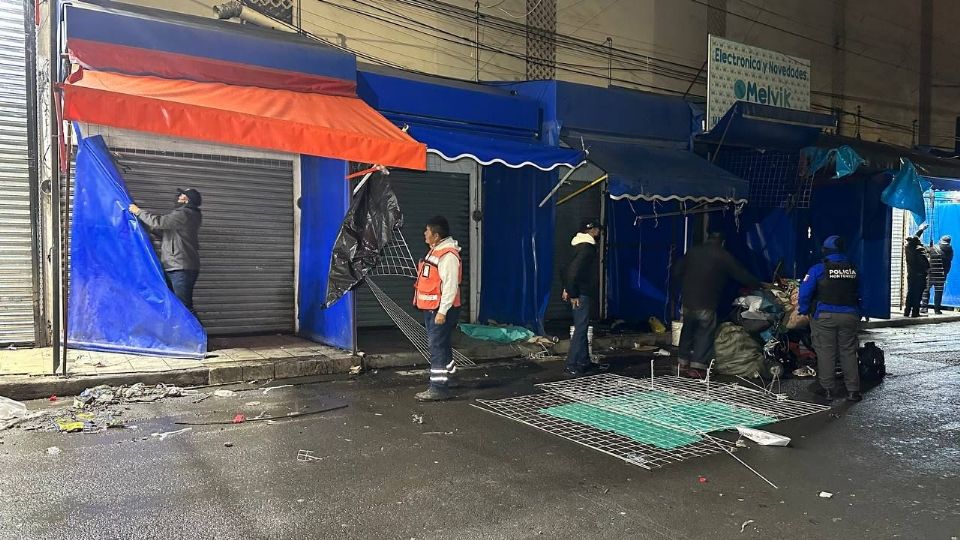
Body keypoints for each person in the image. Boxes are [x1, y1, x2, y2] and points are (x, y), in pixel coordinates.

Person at [671, 232, 760, 378]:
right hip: (707, 302)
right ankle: (697, 367)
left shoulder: (693, 251)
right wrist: (758, 284)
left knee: (687, 330)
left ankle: (682, 363)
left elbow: (677, 271)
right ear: (722, 242)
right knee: (704, 333)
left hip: (688, 301)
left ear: (708, 238)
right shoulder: (723, 255)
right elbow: (741, 274)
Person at [798, 236, 863, 402]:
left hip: (825, 316)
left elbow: (804, 293)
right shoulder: (854, 269)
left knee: (826, 351)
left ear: (825, 251)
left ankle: (828, 390)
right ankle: (853, 391)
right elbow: (863, 292)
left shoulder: (818, 269)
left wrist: (805, 310)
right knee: (848, 351)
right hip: (850, 315)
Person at [413, 216, 463, 402]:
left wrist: (442, 312)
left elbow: (450, 285)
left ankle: (438, 387)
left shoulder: (447, 255)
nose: (425, 234)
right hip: (433, 308)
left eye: (427, 231)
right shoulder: (436, 251)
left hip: (441, 309)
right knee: (442, 344)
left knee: (437, 347)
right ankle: (451, 377)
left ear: (436, 235)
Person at [129, 188, 202, 313]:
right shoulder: (187, 216)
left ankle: (195, 332)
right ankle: (181, 332)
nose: (178, 197)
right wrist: (147, 226)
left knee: (184, 307)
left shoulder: (184, 214)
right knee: (175, 305)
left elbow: (159, 222)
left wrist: (138, 212)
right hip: (176, 266)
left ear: (186, 199)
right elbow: (164, 232)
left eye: (181, 195)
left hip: (180, 267)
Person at [562, 218, 602, 376]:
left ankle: (584, 361)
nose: (599, 232)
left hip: (576, 291)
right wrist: (573, 293)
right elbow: (573, 272)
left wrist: (567, 288)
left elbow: (566, 269)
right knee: (580, 328)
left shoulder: (575, 245)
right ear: (592, 230)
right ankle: (571, 364)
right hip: (581, 294)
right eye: (597, 229)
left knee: (583, 327)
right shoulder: (587, 248)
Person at [904, 223, 930, 318]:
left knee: (910, 292)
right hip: (919, 275)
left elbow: (915, 237)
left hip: (911, 274)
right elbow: (926, 263)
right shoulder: (919, 250)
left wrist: (921, 229)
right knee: (918, 293)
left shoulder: (908, 248)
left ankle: (907, 311)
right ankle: (915, 312)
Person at [927, 235, 954, 314]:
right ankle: (937, 309)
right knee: (938, 292)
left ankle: (924, 308)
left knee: (926, 290)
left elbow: (926, 254)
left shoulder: (934, 248)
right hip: (941, 274)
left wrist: (931, 247)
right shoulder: (950, 250)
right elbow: (949, 262)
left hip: (931, 273)